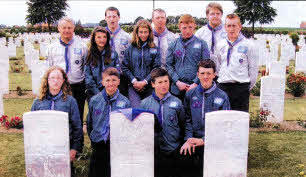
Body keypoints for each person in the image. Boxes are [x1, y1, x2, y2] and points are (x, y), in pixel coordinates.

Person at [180, 59, 230, 177]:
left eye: (209, 73)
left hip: (213, 142)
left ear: (214, 74)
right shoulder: (190, 94)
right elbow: (187, 119)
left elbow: (224, 125)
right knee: (184, 161)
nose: (205, 77)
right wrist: (189, 139)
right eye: (202, 73)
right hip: (193, 140)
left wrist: (204, 140)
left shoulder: (222, 96)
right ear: (197, 75)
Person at [31, 66, 83, 177]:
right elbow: (32, 127)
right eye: (52, 78)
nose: (55, 81)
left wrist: (74, 149)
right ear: (47, 80)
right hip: (43, 149)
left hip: (63, 148)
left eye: (59, 78)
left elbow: (77, 127)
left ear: (63, 80)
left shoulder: (70, 101)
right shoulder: (38, 102)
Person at [140, 67, 191, 177]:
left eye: (166, 81)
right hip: (153, 152)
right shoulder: (144, 104)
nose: (164, 85)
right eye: (160, 82)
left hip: (173, 150)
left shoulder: (177, 102)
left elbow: (183, 124)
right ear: (153, 84)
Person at [87, 67, 131, 177]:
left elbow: (128, 125)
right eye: (107, 80)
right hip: (99, 143)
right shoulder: (94, 100)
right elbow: (90, 123)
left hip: (117, 144)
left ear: (119, 82)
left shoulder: (125, 102)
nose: (111, 83)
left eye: (114, 80)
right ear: (102, 82)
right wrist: (94, 138)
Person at [47, 17, 88, 125]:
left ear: (73, 28)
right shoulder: (52, 48)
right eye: (64, 27)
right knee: (60, 116)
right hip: (59, 87)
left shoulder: (82, 46)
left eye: (69, 27)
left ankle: (78, 140)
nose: (67, 30)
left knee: (77, 115)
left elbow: (85, 66)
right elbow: (49, 69)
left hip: (77, 86)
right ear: (59, 28)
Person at [216, 13, 258, 112]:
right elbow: (218, 65)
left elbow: (253, 69)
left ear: (240, 27)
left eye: (234, 25)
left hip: (241, 88)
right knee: (222, 119)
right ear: (225, 27)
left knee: (240, 121)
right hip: (223, 86)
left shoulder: (249, 45)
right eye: (229, 26)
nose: (231, 29)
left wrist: (246, 87)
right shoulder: (220, 44)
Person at [166, 14, 210, 100]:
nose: (187, 31)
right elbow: (168, 65)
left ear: (194, 26)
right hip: (177, 88)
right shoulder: (173, 44)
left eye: (190, 27)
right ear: (179, 27)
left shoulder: (202, 44)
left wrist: (196, 83)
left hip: (197, 88)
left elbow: (206, 66)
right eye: (184, 28)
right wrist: (177, 82)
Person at [122, 19, 161, 108]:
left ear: (149, 32)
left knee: (149, 112)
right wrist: (134, 81)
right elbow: (124, 67)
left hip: (150, 86)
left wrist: (145, 81)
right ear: (137, 33)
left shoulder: (154, 48)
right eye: (141, 32)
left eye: (146, 32)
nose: (143, 34)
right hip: (133, 86)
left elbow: (156, 68)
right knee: (137, 111)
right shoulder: (130, 48)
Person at [85, 26, 120, 101]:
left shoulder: (113, 54)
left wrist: (109, 89)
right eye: (99, 37)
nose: (102, 40)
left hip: (111, 90)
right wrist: (98, 93)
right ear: (94, 39)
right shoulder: (88, 55)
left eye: (104, 37)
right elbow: (88, 77)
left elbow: (117, 73)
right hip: (94, 92)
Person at [104, 6, 131, 97]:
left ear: (119, 18)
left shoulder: (127, 37)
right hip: (104, 77)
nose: (112, 19)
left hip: (122, 77)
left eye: (114, 16)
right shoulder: (100, 36)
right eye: (109, 17)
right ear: (105, 18)